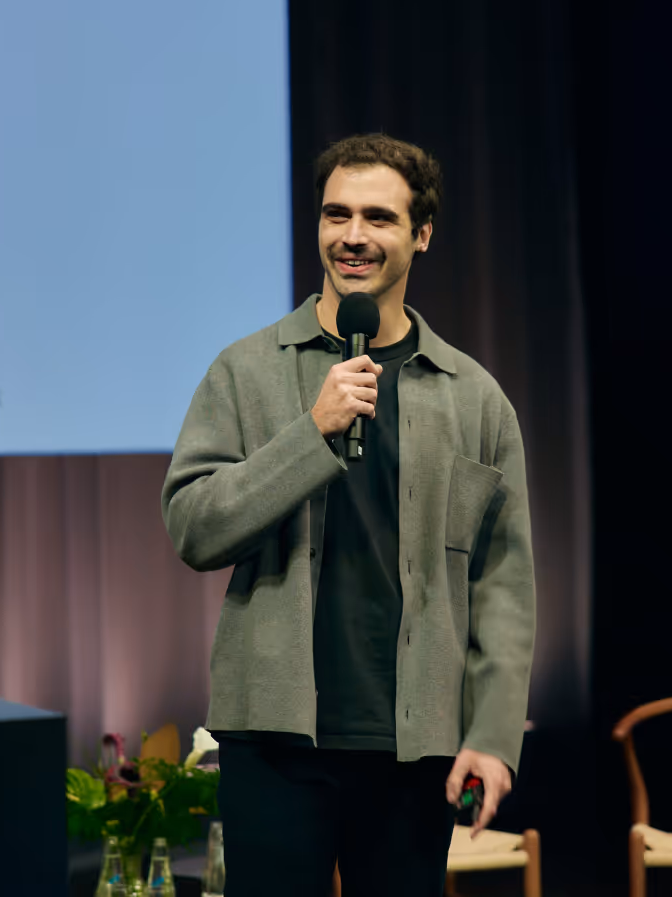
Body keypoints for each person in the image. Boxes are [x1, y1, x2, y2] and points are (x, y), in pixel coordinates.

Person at [162, 133, 535, 897]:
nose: (352, 235)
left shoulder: (474, 396)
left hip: (417, 748)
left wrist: (493, 738)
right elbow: (194, 526)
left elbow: (504, 585)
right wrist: (312, 432)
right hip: (274, 742)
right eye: (337, 214)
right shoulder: (245, 371)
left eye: (378, 217)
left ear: (421, 234)